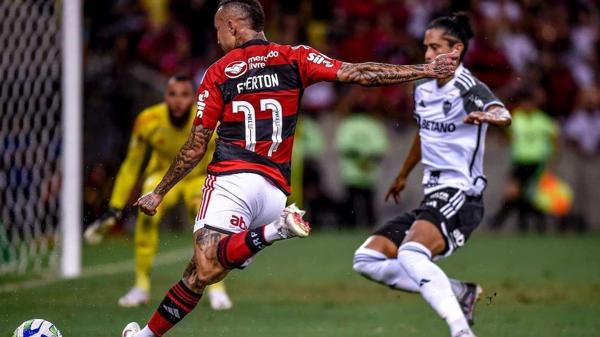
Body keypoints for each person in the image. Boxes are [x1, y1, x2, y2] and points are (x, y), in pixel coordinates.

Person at [121, 1, 459, 336]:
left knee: (207, 265)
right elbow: (358, 73)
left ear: (234, 26)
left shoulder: (219, 71)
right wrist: (424, 70)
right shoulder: (295, 57)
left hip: (232, 181)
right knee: (197, 274)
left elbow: (196, 145)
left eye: (218, 28)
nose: (217, 36)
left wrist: (159, 191)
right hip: (273, 194)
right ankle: (145, 336)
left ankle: (276, 230)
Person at [352, 13, 511, 337]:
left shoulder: (467, 87)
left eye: (435, 47)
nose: (426, 55)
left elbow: (502, 112)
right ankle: (459, 291)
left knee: (411, 253)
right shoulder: (423, 89)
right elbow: (424, 134)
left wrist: (490, 116)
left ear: (456, 50)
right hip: (434, 194)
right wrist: (403, 174)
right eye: (425, 47)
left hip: (461, 194)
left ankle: (460, 331)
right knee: (366, 259)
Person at [84, 75, 233, 310]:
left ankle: (215, 288)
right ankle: (141, 287)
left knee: (209, 223)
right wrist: (116, 205)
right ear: (165, 96)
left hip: (198, 179)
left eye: (184, 95)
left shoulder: (209, 118)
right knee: (145, 216)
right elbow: (132, 165)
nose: (178, 101)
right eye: (172, 94)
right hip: (162, 178)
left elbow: (225, 159)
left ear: (193, 98)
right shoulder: (148, 120)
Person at [490, 86, 558, 233]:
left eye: (529, 102)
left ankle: (500, 223)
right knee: (514, 194)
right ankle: (533, 224)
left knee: (528, 196)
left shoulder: (543, 120)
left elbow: (555, 140)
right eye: (524, 102)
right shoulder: (515, 118)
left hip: (536, 164)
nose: (526, 105)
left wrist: (551, 161)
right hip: (519, 162)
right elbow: (506, 137)